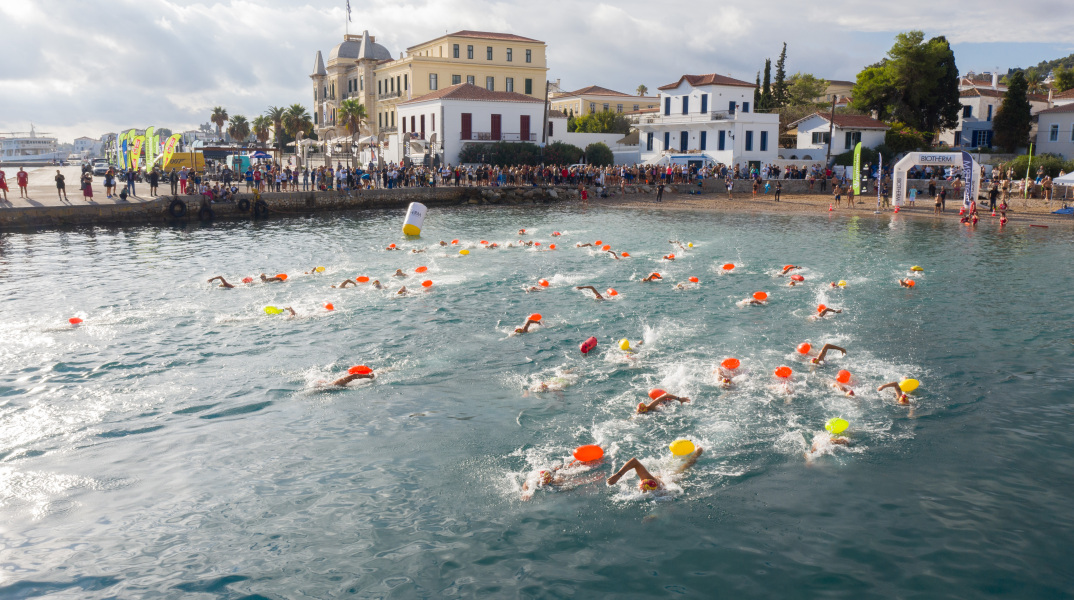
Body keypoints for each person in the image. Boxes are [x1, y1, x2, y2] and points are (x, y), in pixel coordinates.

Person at [606, 447, 703, 492]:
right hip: (667, 478)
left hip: (669, 479)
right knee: (683, 468)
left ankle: (697, 453)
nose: (640, 487)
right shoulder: (649, 480)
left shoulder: (653, 484)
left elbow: (634, 461)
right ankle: (696, 453)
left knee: (685, 467)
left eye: (642, 487)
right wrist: (617, 476)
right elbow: (634, 461)